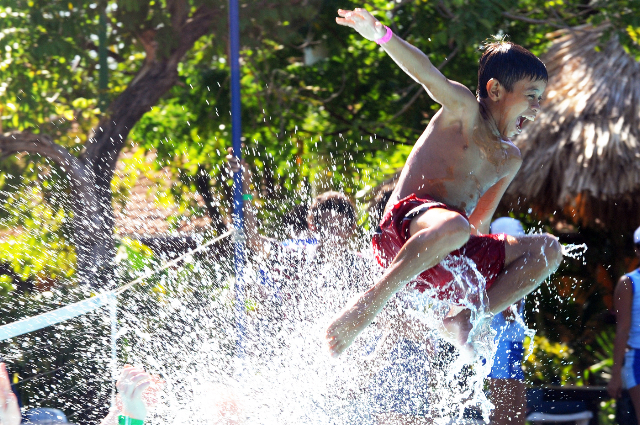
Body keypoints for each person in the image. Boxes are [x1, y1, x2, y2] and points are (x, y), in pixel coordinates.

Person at [326, 7, 562, 359]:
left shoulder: (508, 158)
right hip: (403, 231)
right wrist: (381, 35)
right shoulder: (463, 111)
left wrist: (496, 285)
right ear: (495, 90)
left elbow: (479, 224)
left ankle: (465, 318)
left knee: (548, 249)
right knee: (455, 225)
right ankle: (369, 303)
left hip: (449, 248)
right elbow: (427, 74)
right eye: (531, 95)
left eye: (541, 97)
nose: (537, 106)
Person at [487, 217, 529, 425]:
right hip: (502, 347)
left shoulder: (502, 270)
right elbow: (510, 313)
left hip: (504, 347)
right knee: (509, 412)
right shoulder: (504, 272)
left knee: (510, 411)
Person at [607, 225, 640, 424]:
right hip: (637, 358)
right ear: (637, 250)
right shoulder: (629, 282)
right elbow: (623, 329)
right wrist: (615, 374)